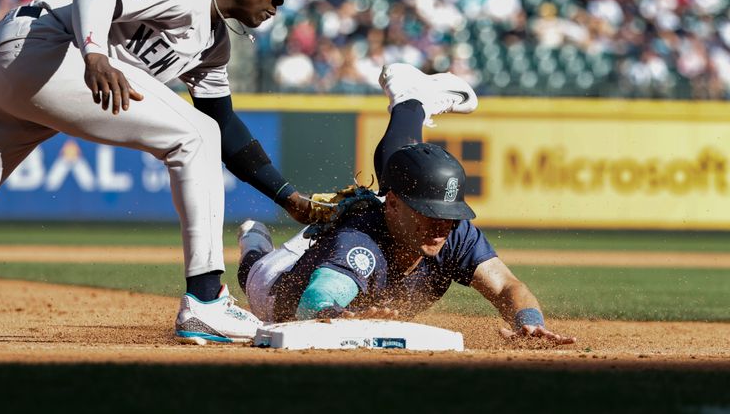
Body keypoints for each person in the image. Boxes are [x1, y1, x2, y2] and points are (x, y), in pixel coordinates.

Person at [0, 0, 315, 344]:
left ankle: (206, 303)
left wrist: (287, 196)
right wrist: (94, 53)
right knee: (195, 135)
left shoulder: (213, 44)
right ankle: (205, 302)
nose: (281, 0)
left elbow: (225, 124)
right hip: (43, 47)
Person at [236, 64, 576, 345]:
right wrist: (346, 319)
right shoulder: (360, 240)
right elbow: (315, 303)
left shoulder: (452, 232)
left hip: (358, 228)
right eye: (430, 214)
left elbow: (506, 285)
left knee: (406, 173)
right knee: (252, 270)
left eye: (450, 215)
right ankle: (253, 239)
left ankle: (411, 103)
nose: (442, 224)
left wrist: (528, 320)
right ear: (393, 206)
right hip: (274, 287)